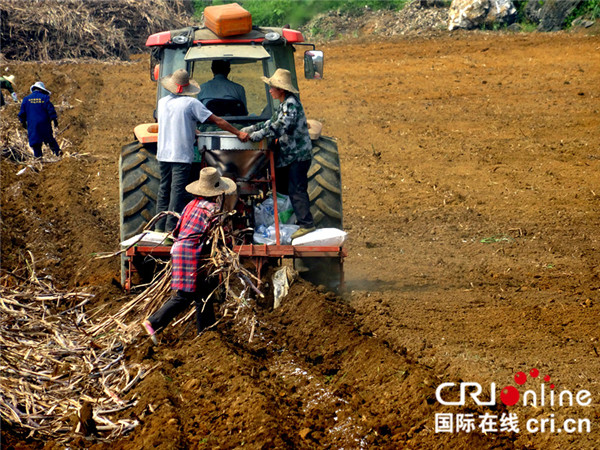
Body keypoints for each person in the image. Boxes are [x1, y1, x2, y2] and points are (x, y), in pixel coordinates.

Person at [143, 167, 237, 341]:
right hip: (191, 253)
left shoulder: (190, 205)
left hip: (180, 250)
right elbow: (223, 236)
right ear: (217, 193)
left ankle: (207, 333)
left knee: (204, 292)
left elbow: (177, 232)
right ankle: (153, 322)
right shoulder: (214, 209)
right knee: (184, 296)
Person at [155, 69, 248, 232]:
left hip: (163, 154)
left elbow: (173, 122)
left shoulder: (162, 102)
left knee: (164, 189)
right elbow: (217, 120)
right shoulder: (191, 103)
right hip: (180, 155)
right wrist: (238, 133)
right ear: (187, 88)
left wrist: (192, 130)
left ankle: (158, 227)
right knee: (177, 192)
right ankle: (170, 229)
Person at [244, 69, 315, 240]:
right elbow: (271, 121)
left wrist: (257, 136)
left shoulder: (291, 104)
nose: (270, 90)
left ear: (281, 89)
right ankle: (286, 223)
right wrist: (253, 128)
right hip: (288, 156)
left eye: (272, 88)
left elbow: (280, 126)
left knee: (296, 189)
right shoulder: (283, 105)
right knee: (283, 191)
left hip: (297, 156)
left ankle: (306, 224)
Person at [18, 81, 61, 159]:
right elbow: (51, 110)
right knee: (49, 139)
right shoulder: (45, 98)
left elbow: (22, 113)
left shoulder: (26, 99)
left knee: (35, 142)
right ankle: (58, 154)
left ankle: (38, 158)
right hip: (44, 123)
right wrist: (54, 120)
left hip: (32, 124)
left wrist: (23, 122)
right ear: (42, 90)